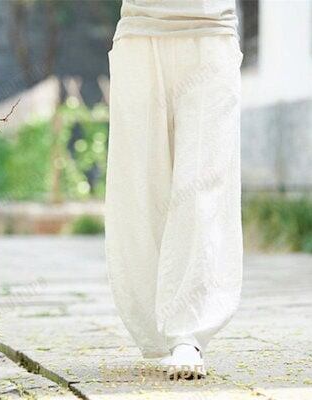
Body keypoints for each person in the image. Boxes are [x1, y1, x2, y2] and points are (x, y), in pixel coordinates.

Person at [104, 0, 243, 379]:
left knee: (203, 185)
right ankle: (156, 322)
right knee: (140, 187)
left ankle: (187, 333)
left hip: (211, 33)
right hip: (140, 34)